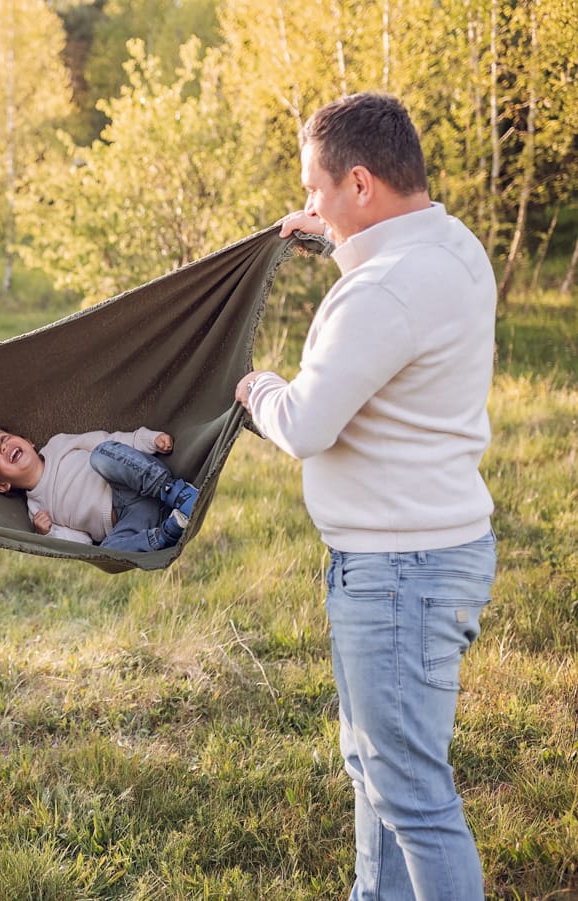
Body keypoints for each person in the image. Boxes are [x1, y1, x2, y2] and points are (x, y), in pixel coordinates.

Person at [236, 92, 496, 901]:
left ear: (359, 182)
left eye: (315, 189)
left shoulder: (383, 290)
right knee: (378, 772)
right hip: (432, 554)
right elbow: (391, 293)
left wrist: (257, 386)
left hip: (397, 572)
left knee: (411, 793)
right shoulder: (454, 247)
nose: (309, 205)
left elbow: (304, 425)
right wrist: (330, 237)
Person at [0, 426, 199, 552]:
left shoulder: (58, 444)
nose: (3, 447)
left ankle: (176, 492)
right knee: (107, 552)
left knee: (101, 454)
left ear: (27, 441)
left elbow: (108, 441)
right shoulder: (37, 511)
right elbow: (83, 543)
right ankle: (165, 534)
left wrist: (147, 439)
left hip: (137, 479)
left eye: (3, 438)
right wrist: (49, 534)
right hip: (133, 520)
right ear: (2, 484)